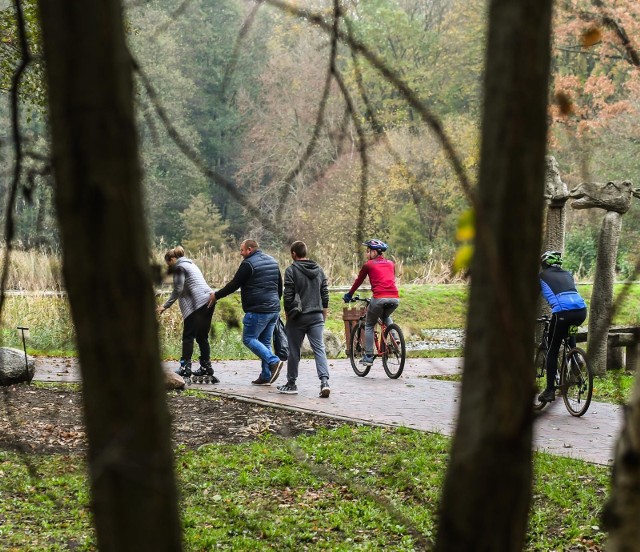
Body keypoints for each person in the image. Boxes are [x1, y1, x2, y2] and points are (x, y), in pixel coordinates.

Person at [208, 239, 284, 385]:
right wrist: (275, 303)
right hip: (273, 309)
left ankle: (273, 361)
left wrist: (216, 295)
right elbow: (279, 286)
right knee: (265, 342)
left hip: (257, 309)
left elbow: (234, 284)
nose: (240, 253)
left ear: (249, 249)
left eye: (242, 250)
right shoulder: (273, 261)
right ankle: (266, 375)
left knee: (249, 339)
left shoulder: (248, 264)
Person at [277, 241, 331, 398]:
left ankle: (291, 383)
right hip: (316, 315)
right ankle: (324, 382)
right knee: (319, 349)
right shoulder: (319, 269)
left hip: (298, 317)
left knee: (294, 350)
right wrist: (324, 313)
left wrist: (288, 314)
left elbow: (288, 295)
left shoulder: (291, 270)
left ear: (294, 254)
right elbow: (325, 293)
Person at [157, 245, 218, 383]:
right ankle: (206, 367)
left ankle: (185, 368)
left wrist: (164, 306)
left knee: (188, 336)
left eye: (169, 264)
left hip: (197, 304)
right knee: (202, 336)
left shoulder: (179, 267)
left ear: (172, 259)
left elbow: (178, 289)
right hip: (209, 300)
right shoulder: (191, 264)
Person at [538, 250, 587, 403]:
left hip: (562, 312)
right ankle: (575, 357)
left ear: (545, 263)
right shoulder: (568, 274)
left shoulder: (542, 276)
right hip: (581, 311)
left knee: (552, 351)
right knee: (567, 327)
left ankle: (550, 390)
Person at [343, 239, 399, 367]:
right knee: (385, 316)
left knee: (369, 324)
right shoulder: (391, 263)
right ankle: (395, 337)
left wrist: (349, 295)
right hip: (395, 298)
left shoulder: (369, 265)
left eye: (368, 251)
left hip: (379, 298)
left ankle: (368, 356)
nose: (367, 254)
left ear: (375, 252)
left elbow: (358, 281)